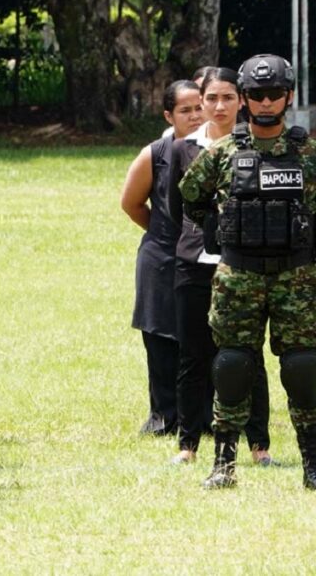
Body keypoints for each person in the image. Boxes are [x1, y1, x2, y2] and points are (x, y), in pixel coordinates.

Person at [180, 54, 316, 489]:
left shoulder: (309, 154)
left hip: (297, 277)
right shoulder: (222, 154)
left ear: (288, 96)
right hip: (238, 277)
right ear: (244, 99)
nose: (265, 102)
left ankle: (312, 463)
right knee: (233, 365)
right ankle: (223, 464)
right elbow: (191, 199)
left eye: (274, 93)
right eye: (256, 94)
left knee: (303, 368)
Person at [167, 67, 273, 466]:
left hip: (246, 264)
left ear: (241, 100)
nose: (219, 106)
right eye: (211, 98)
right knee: (193, 356)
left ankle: (259, 446)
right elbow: (178, 209)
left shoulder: (259, 145)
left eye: (228, 97)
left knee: (248, 355)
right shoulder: (182, 149)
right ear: (201, 101)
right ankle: (188, 444)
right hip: (194, 264)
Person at [120, 80, 202, 436]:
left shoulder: (221, 149)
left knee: (202, 337)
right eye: (186, 110)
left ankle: (204, 416)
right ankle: (164, 416)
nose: (196, 115)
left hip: (207, 256)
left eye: (199, 107)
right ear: (169, 115)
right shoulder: (155, 153)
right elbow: (131, 203)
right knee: (162, 337)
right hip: (162, 256)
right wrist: (167, 234)